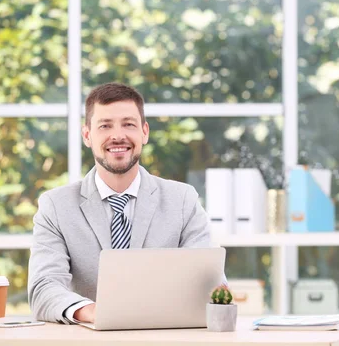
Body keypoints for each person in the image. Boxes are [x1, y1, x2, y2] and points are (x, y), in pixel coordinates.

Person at [27, 83, 213, 324]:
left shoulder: (183, 201)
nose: (117, 136)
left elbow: (207, 281)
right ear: (87, 135)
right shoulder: (55, 206)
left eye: (128, 124)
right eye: (105, 126)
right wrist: (95, 312)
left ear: (144, 132)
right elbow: (43, 288)